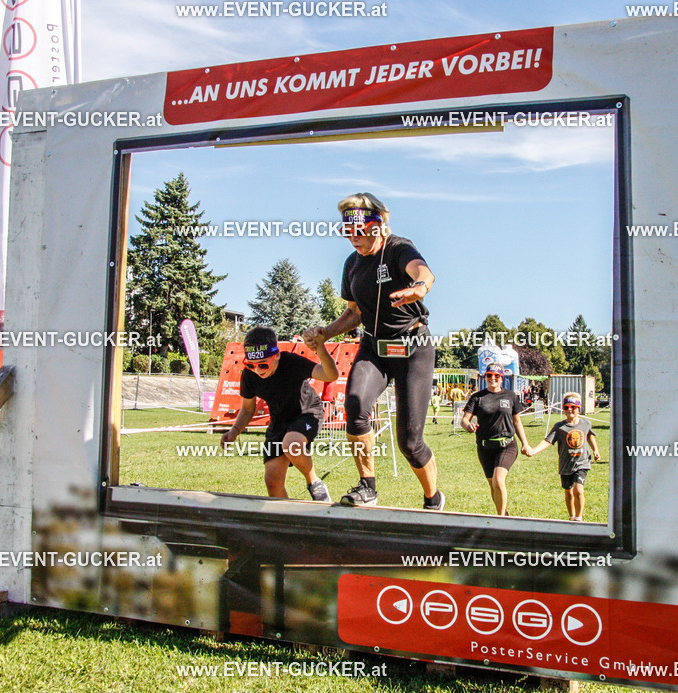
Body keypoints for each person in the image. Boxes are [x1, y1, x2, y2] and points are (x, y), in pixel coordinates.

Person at [304, 193, 444, 510]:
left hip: (412, 349)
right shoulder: (352, 264)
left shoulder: (398, 248)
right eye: (346, 231)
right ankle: (368, 487)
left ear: (377, 225)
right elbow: (353, 314)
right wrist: (324, 333)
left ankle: (433, 498)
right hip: (374, 348)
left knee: (410, 442)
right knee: (354, 408)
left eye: (359, 231)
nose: (352, 238)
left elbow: (424, 273)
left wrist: (419, 288)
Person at [220, 326, 338, 502]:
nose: (258, 370)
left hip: (307, 412)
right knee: (272, 481)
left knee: (291, 443)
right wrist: (234, 431)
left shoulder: (291, 362)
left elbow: (330, 375)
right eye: (250, 365)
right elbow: (247, 409)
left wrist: (320, 348)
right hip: (279, 421)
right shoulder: (249, 376)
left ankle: (314, 482)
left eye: (263, 364)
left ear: (276, 355)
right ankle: (287, 516)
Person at [461, 363, 532, 516]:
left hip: (507, 445)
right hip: (485, 447)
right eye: (489, 375)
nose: (493, 378)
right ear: (485, 377)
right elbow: (464, 420)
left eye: (496, 376)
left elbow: (517, 422)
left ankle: (500, 520)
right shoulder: (477, 397)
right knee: (493, 485)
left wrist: (525, 444)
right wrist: (468, 426)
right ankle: (504, 514)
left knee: (498, 480)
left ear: (501, 378)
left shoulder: (510, 396)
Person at [525, 392, 601, 521]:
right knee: (568, 492)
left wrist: (595, 450)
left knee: (578, 490)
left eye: (573, 407)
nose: (570, 410)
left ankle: (579, 518)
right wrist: (533, 451)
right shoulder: (559, 427)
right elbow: (548, 441)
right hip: (566, 464)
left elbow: (589, 435)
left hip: (581, 463)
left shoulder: (586, 423)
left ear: (579, 408)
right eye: (566, 407)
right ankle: (572, 517)